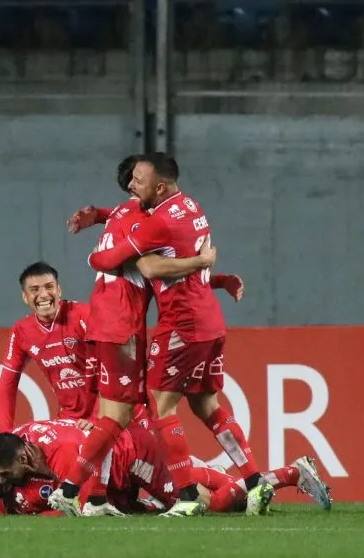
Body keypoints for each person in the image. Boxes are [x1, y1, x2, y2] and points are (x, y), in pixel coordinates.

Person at [72, 152, 272, 518]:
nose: (133, 188)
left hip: (181, 323)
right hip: (210, 320)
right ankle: (257, 482)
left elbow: (130, 263)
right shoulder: (192, 207)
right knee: (206, 406)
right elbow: (179, 248)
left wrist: (93, 255)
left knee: (160, 407)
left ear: (159, 187)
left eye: (138, 182)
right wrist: (214, 273)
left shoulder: (157, 222)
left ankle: (186, 496)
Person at [45, 155, 225, 518]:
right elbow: (117, 263)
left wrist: (96, 214)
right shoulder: (145, 218)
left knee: (113, 417)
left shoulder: (124, 214)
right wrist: (204, 265)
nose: (133, 187)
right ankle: (183, 492)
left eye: (137, 181)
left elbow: (118, 219)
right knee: (130, 414)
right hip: (121, 326)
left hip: (106, 323)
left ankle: (88, 497)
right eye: (133, 180)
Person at [0, 422, 332, 515]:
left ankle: (292, 473)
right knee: (201, 491)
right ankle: (208, 472)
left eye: (3, 478)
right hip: (120, 462)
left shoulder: (64, 455)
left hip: (134, 456)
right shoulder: (17, 442)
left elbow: (85, 505)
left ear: (23, 461)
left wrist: (132, 507)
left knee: (212, 504)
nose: (7, 486)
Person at [0, 261, 97, 433]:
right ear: (25, 297)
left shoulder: (84, 315)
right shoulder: (22, 331)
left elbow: (112, 368)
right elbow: (7, 385)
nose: (43, 295)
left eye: (49, 287)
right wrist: (6, 434)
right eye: (34, 290)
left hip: (106, 415)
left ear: (59, 290)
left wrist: (98, 417)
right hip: (69, 420)